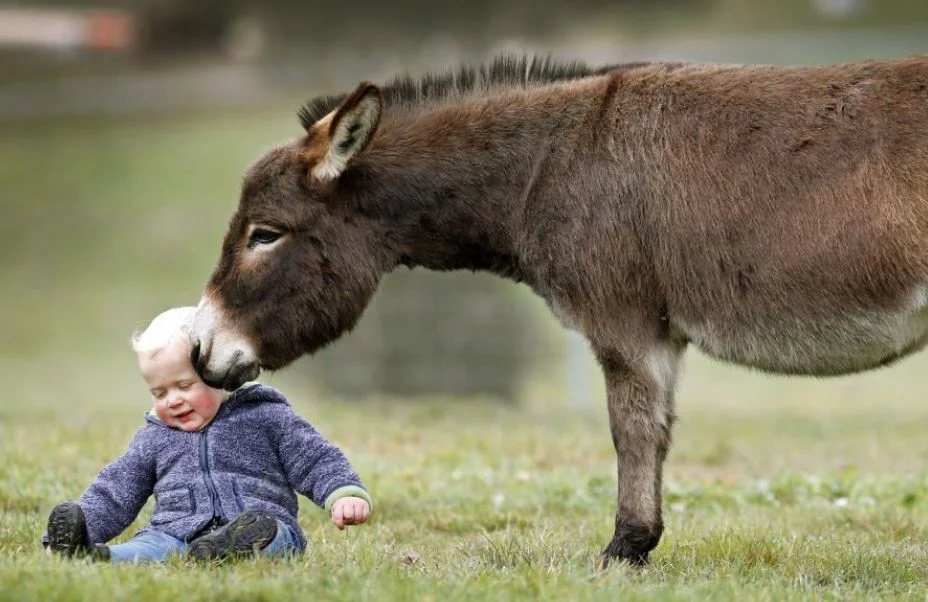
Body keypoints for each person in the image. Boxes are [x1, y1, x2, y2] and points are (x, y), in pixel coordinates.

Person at [43, 306, 371, 563]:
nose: (172, 400)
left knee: (273, 537)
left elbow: (313, 456)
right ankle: (87, 553)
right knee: (147, 549)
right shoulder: (153, 439)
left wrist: (343, 493)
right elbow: (115, 489)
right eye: (159, 393)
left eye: (184, 385)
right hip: (175, 531)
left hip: (261, 522)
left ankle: (230, 548)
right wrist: (86, 523)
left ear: (217, 372)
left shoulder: (266, 416)